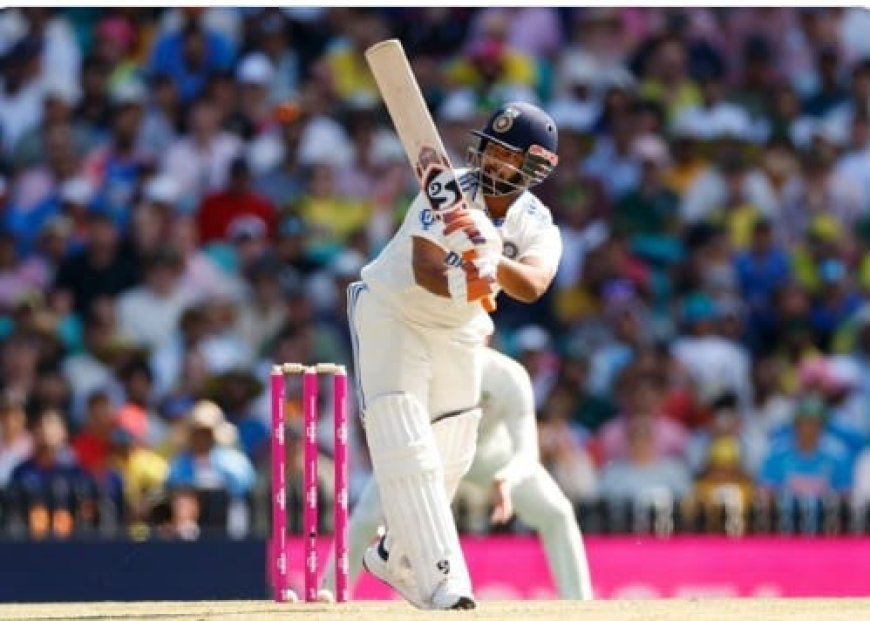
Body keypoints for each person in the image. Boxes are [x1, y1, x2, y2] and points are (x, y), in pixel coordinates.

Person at [346, 101, 561, 609]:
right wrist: (468, 275)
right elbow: (424, 268)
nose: (491, 161)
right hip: (394, 314)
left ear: (533, 168)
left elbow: (533, 285)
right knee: (407, 438)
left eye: (507, 155)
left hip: (460, 329)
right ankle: (446, 581)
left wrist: (493, 258)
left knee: (454, 452)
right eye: (492, 148)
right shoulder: (447, 189)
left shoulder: (535, 220)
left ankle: (393, 550)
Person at [320, 346, 593, 600]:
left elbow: (526, 452)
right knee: (366, 517)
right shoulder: (427, 369)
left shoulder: (507, 375)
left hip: (491, 458)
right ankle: (328, 593)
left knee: (557, 513)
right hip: (432, 454)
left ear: (485, 337)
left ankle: (580, 604)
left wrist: (507, 476)